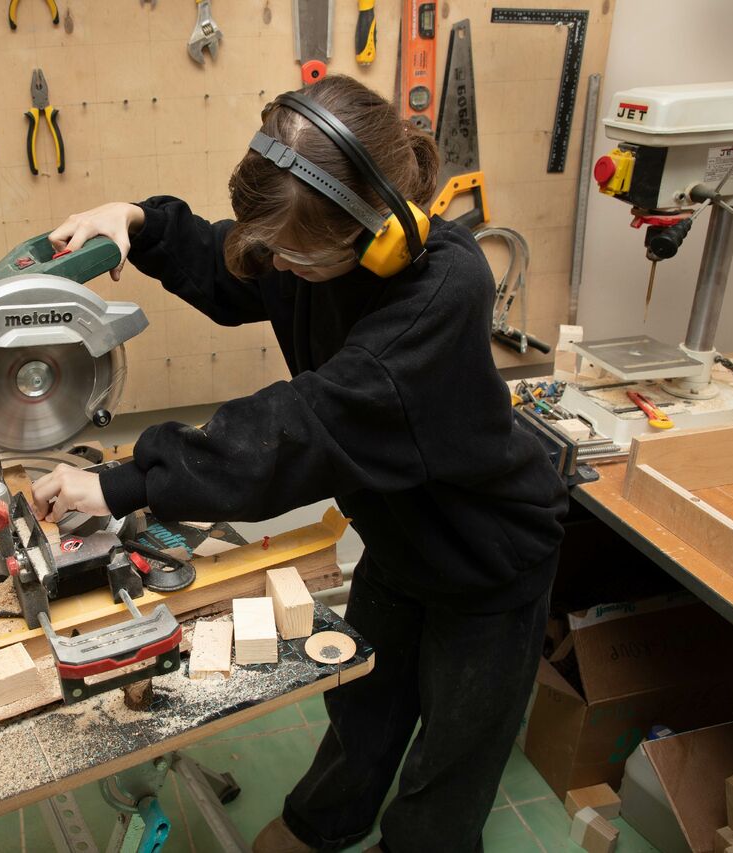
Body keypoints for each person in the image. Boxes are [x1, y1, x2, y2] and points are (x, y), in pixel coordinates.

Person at [32, 74, 568, 853]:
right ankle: (324, 824)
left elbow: (297, 432)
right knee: (363, 701)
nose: (278, 267)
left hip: (488, 553)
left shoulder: (441, 292)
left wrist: (122, 482)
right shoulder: (312, 248)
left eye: (296, 256)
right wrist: (138, 222)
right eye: (273, 249)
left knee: (453, 754)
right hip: (398, 538)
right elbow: (229, 262)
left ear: (376, 234)